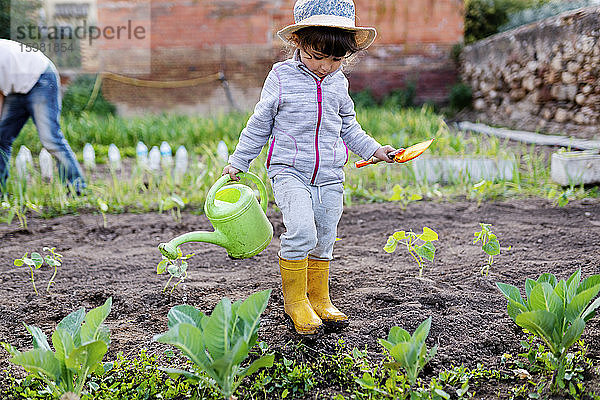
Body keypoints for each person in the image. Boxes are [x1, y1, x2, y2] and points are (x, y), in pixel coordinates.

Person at [223, 0, 396, 335]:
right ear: (298, 42)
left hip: (330, 175)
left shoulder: (338, 83)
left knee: (324, 237)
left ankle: (318, 298)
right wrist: (239, 161)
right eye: (317, 56)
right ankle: (295, 302)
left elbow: (349, 128)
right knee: (302, 231)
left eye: (335, 59)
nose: (325, 67)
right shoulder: (281, 77)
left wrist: (376, 150)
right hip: (289, 170)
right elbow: (259, 124)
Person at [0, 39, 85, 193]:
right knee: (1, 138)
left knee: (50, 139)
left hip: (41, 77)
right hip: (16, 87)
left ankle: (77, 188)